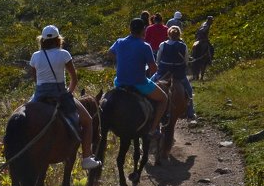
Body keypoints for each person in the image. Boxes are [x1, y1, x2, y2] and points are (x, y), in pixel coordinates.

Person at [26, 25, 101, 170]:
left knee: (21, 114)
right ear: (58, 39)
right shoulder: (64, 54)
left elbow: (35, 78)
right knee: (88, 120)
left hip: (40, 93)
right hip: (60, 93)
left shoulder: (35, 56)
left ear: (42, 40)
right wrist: (69, 92)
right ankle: (86, 157)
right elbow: (74, 77)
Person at [107, 17, 167, 134]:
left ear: (130, 29)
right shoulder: (145, 46)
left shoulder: (119, 42)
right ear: (143, 30)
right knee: (164, 98)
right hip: (139, 83)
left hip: (120, 82)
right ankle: (153, 128)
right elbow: (153, 68)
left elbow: (110, 53)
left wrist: (120, 60)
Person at [153, 25, 196, 119]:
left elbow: (158, 59)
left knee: (151, 82)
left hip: (163, 72)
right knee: (189, 90)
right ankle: (190, 112)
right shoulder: (183, 46)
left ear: (168, 34)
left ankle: (149, 106)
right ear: (179, 35)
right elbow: (186, 61)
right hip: (178, 74)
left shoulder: (163, 44)